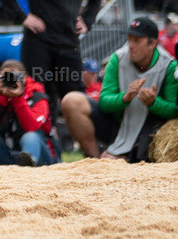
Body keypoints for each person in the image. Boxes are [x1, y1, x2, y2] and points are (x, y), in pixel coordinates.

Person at [61, 18, 177, 161]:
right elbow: (104, 101)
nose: (130, 46)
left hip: (148, 131)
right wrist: (124, 98)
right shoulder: (117, 58)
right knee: (71, 100)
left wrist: (153, 103)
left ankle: (121, 157)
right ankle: (94, 160)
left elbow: (174, 110)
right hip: (117, 124)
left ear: (152, 44)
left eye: (137, 41)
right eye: (129, 40)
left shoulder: (169, 66)